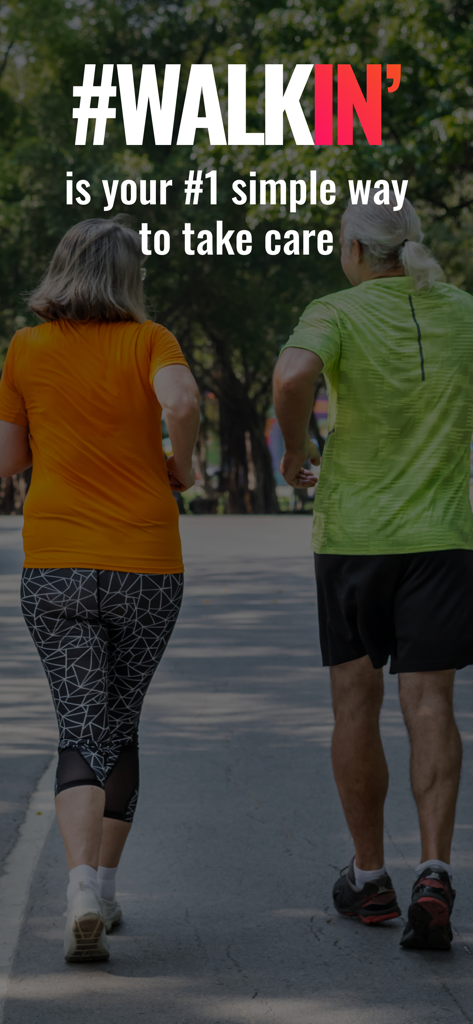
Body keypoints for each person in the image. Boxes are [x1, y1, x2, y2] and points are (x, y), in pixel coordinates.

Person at [273, 191, 473, 951]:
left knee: (355, 705)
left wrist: (296, 453)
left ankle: (368, 879)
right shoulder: (460, 310)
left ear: (355, 251)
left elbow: (291, 377)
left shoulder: (335, 311)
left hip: (354, 537)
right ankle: (433, 871)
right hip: (442, 537)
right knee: (430, 706)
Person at [0, 218, 200, 962]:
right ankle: (105, 889)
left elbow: (7, 458)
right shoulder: (151, 342)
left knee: (81, 724)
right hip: (146, 565)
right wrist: (183, 467)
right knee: (119, 720)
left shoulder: (26, 348)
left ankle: (81, 885)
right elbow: (180, 403)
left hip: (55, 565)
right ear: (127, 278)